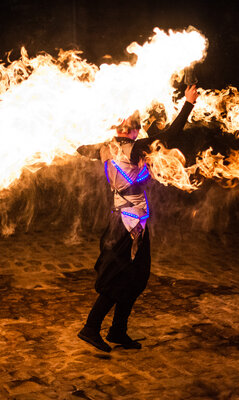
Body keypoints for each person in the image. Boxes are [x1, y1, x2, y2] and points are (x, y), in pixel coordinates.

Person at [76, 85, 199, 352]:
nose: (126, 132)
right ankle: (91, 327)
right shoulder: (134, 148)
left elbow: (78, 146)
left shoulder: (103, 148)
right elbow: (170, 134)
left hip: (125, 222)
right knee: (121, 277)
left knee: (136, 277)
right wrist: (188, 104)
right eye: (128, 128)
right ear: (135, 131)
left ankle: (118, 330)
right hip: (128, 225)